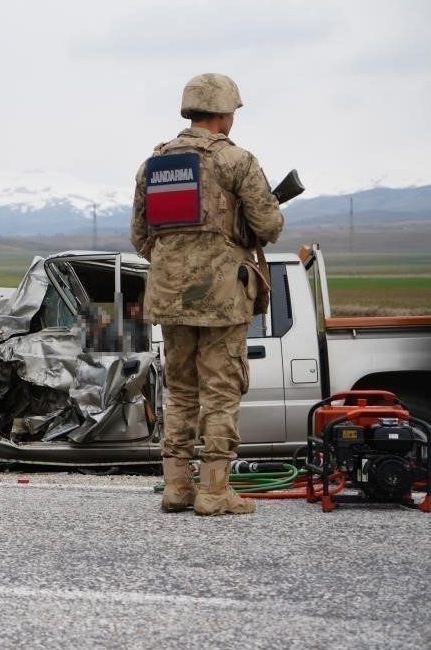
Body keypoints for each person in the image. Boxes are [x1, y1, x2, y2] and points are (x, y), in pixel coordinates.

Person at [130, 73, 284, 516]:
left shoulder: (153, 165)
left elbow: (141, 238)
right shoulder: (236, 161)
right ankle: (215, 492)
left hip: (169, 296)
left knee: (179, 392)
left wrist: (179, 259)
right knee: (220, 392)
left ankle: (177, 487)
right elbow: (269, 226)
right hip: (220, 299)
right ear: (223, 113)